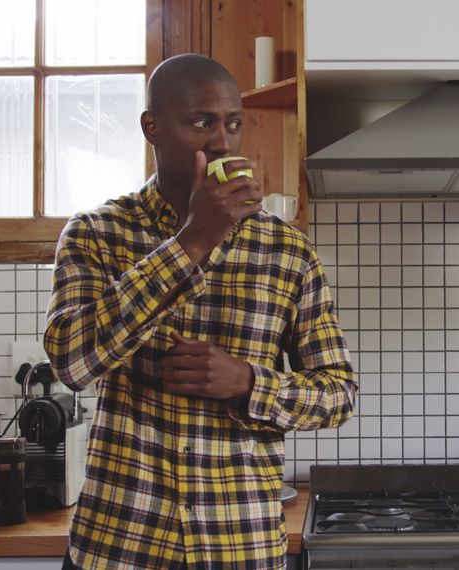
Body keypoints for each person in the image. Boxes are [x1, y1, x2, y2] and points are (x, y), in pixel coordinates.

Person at [44, 53, 357, 570]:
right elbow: (72, 364)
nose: (221, 142)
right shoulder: (96, 233)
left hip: (238, 543)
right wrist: (193, 240)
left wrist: (249, 382)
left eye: (233, 124)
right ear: (153, 128)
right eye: (201, 122)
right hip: (121, 543)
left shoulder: (287, 250)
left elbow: (338, 394)